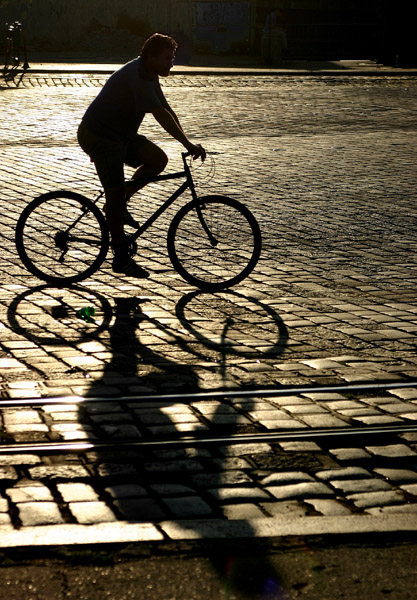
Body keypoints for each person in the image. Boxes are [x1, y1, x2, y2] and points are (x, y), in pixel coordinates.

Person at [77, 33, 206, 277]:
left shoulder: (149, 73)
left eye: (173, 57)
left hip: (120, 136)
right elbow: (159, 114)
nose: (172, 63)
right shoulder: (137, 76)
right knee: (113, 198)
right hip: (100, 136)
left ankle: (121, 200)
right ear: (151, 57)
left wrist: (187, 140)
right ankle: (120, 257)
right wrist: (187, 144)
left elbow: (166, 109)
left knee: (158, 159)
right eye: (168, 58)